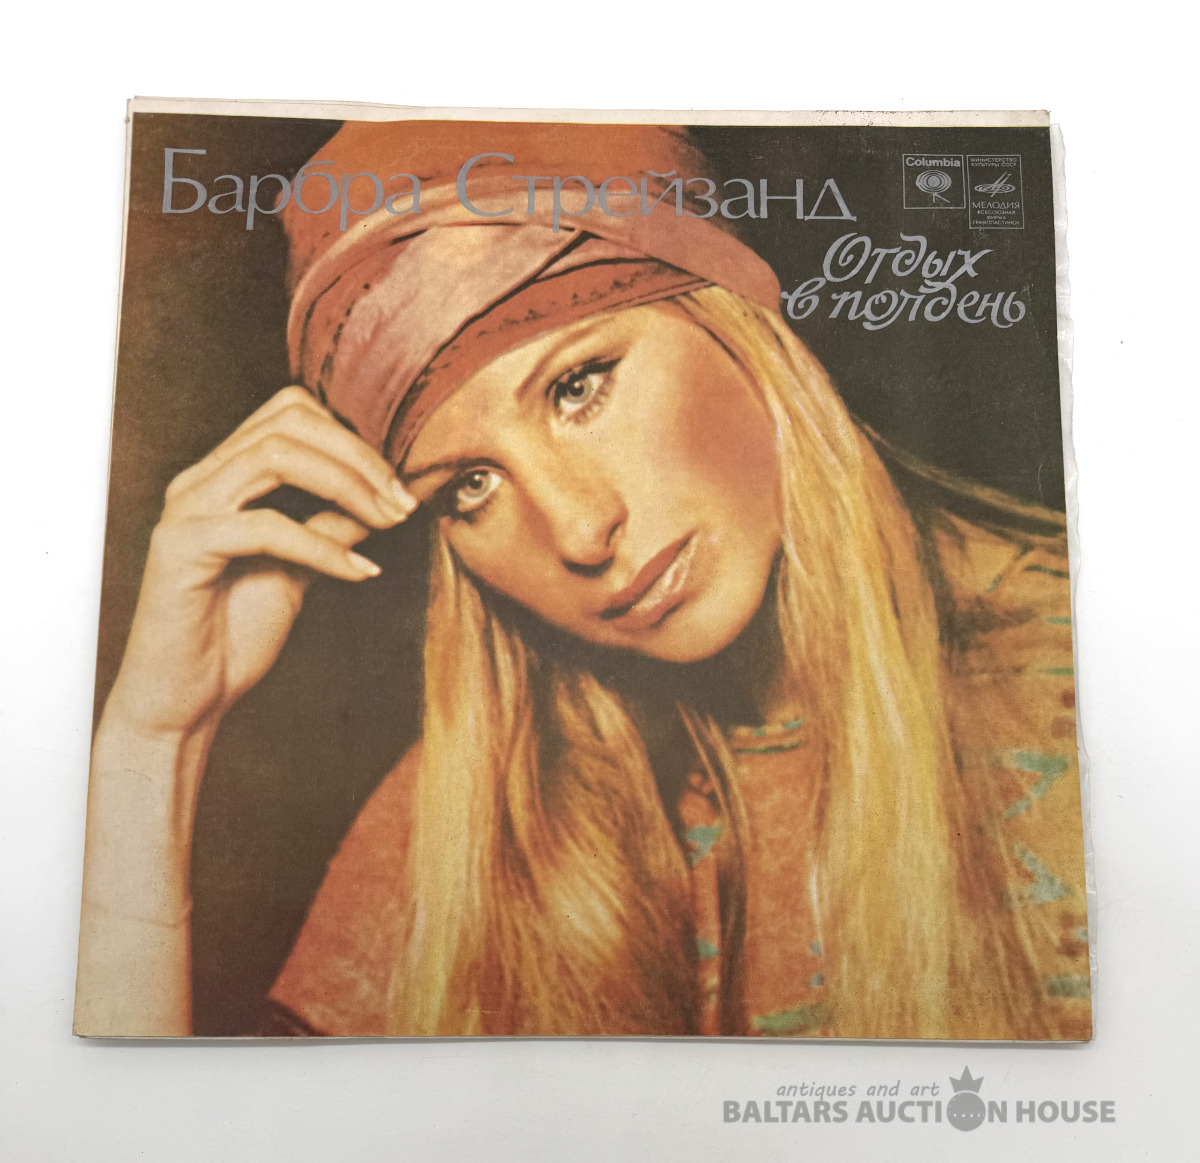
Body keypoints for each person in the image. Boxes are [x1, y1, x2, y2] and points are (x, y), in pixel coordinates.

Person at [75, 121, 1089, 1040]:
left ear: (738, 316)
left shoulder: (1093, 689)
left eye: (578, 386)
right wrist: (153, 744)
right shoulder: (476, 820)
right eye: (468, 486)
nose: (577, 529)